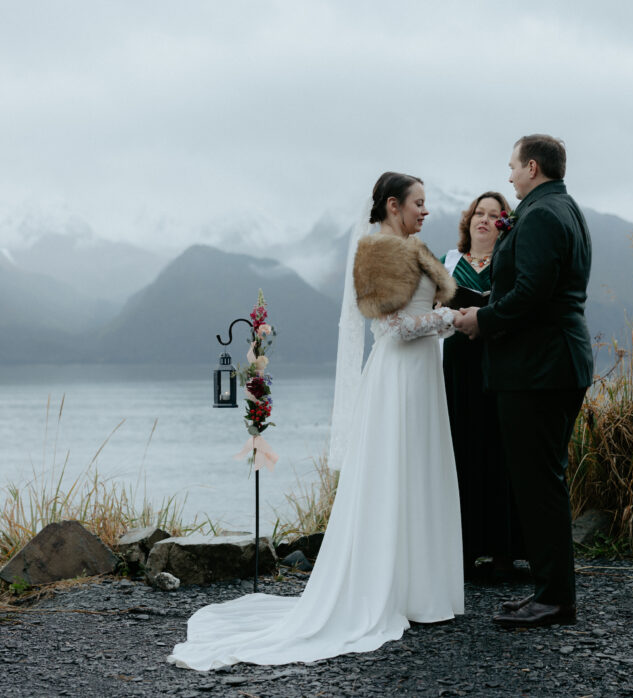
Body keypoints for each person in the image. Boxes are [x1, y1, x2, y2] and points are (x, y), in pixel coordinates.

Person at [168, 173, 464, 669]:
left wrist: (444, 320)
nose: (425, 211)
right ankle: (394, 590)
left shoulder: (413, 247)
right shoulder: (377, 251)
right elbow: (389, 327)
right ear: (393, 205)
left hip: (422, 377)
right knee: (397, 474)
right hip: (398, 379)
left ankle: (421, 591)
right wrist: (451, 321)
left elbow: (421, 311)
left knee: (421, 474)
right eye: (418, 203)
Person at [453, 134, 593, 628]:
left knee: (539, 483)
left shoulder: (539, 217)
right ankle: (551, 591)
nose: (509, 175)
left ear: (532, 167)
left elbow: (532, 293)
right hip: (554, 362)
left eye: (513, 166)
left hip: (540, 368)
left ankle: (554, 598)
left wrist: (481, 320)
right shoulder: (565, 209)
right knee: (542, 479)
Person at [440, 191, 525, 578]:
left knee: (501, 452)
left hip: (498, 364)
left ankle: (504, 552)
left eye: (494, 215)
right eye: (479, 212)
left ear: (504, 224)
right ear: (468, 219)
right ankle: (462, 552)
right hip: (457, 368)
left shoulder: (510, 262)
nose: (484, 220)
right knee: (460, 451)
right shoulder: (446, 263)